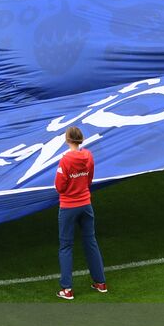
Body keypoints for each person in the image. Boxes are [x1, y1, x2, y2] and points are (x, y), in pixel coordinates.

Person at [53, 128, 107, 300]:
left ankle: (67, 289)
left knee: (66, 246)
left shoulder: (65, 160)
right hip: (86, 204)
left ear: (67, 140)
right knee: (91, 241)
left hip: (68, 207)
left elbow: (59, 186)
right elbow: (89, 178)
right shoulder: (89, 156)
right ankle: (100, 282)